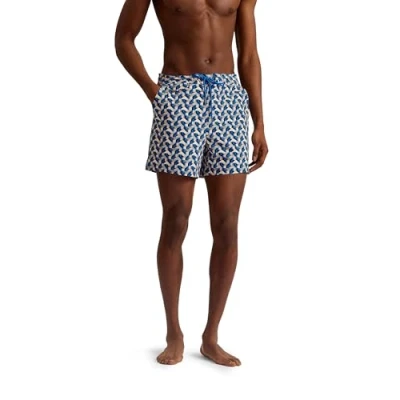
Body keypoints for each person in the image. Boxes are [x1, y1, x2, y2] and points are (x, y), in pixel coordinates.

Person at [115, 0, 268, 367]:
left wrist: (259, 121)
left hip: (229, 99)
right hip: (177, 95)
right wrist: (155, 92)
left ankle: (211, 337)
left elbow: (248, 54)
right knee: (176, 218)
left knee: (227, 224)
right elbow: (124, 38)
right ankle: (174, 332)